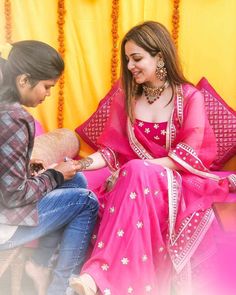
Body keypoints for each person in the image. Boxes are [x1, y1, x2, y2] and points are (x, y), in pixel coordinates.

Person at [68, 21, 235, 295]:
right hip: (135, 182)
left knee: (134, 172)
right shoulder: (126, 98)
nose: (130, 66)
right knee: (128, 177)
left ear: (159, 56)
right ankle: (104, 279)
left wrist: (138, 168)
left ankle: (96, 276)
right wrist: (80, 164)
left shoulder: (190, 97)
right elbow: (111, 151)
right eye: (127, 60)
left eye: (137, 58)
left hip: (177, 180)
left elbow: (187, 154)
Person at [0, 40, 99, 295]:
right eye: (47, 86)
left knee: (75, 183)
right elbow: (15, 195)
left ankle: (39, 264)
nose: (48, 94)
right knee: (86, 201)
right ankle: (60, 289)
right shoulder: (15, 119)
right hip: (4, 223)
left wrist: (24, 165)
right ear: (23, 80)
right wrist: (54, 174)